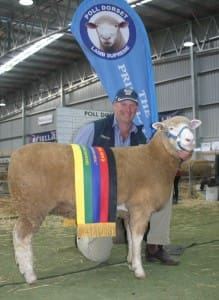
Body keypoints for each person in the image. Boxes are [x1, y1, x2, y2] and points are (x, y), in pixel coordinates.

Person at [73, 87, 191, 265]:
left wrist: (179, 158)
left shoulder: (142, 138)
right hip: (100, 197)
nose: (127, 109)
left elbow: (158, 168)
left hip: (130, 197)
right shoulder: (93, 130)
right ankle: (83, 235)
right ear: (114, 105)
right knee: (98, 255)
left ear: (137, 110)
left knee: (163, 195)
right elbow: (73, 160)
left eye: (132, 105)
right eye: (123, 104)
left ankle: (154, 247)